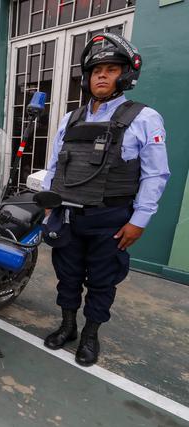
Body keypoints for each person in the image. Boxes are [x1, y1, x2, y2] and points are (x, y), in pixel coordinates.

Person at [42, 33, 170, 366]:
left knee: (102, 281)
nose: (102, 75)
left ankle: (90, 335)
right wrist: (47, 202)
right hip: (68, 216)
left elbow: (155, 175)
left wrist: (138, 221)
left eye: (112, 69)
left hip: (110, 220)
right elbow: (54, 164)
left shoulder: (144, 118)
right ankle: (68, 326)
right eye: (96, 69)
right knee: (67, 277)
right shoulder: (70, 119)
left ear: (126, 75)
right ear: (86, 76)